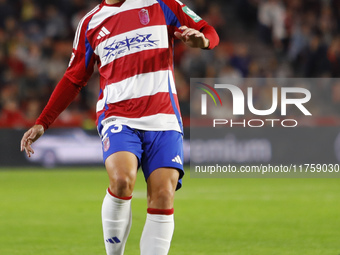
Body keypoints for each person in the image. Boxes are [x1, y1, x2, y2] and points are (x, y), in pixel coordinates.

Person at [20, 0, 219, 254]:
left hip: (164, 117)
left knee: (164, 195)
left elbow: (209, 32)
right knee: (122, 179)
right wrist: (43, 121)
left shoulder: (162, 3)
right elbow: (73, 78)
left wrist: (201, 41)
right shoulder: (90, 22)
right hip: (118, 116)